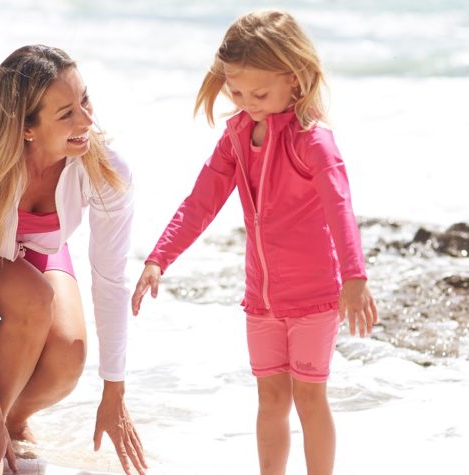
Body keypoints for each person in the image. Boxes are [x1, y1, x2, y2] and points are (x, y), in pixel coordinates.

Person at [131, 10, 378, 475]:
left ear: (294, 78)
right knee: (270, 400)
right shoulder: (238, 136)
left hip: (313, 297)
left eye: (259, 94)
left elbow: (339, 208)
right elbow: (201, 201)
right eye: (237, 92)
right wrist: (159, 257)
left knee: (310, 397)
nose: (248, 104)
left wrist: (354, 277)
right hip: (261, 299)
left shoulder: (313, 141)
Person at [0, 45, 146, 475]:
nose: (86, 121)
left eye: (85, 101)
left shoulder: (107, 168)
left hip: (34, 244)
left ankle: (13, 424)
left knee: (69, 354)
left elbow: (110, 279)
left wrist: (114, 392)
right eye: (66, 114)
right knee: (34, 302)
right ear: (26, 129)